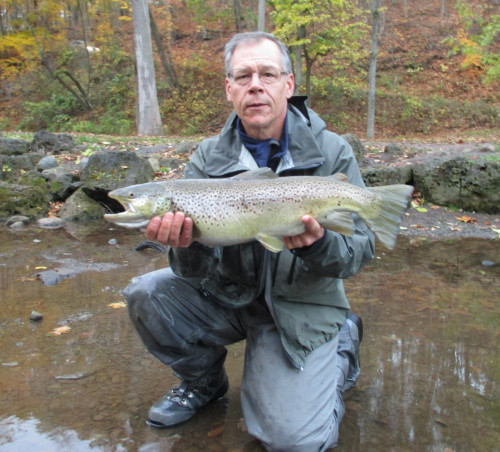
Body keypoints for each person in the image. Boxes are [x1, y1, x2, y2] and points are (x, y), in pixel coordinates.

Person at [124, 31, 374, 451]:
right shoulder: (206, 158)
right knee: (146, 293)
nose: (255, 85)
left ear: (288, 84)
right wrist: (186, 246)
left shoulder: (332, 152)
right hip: (229, 295)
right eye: (243, 76)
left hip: (299, 306)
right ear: (229, 89)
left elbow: (359, 253)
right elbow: (190, 274)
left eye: (267, 74)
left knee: (294, 442)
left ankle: (340, 345)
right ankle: (203, 382)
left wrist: (317, 245)